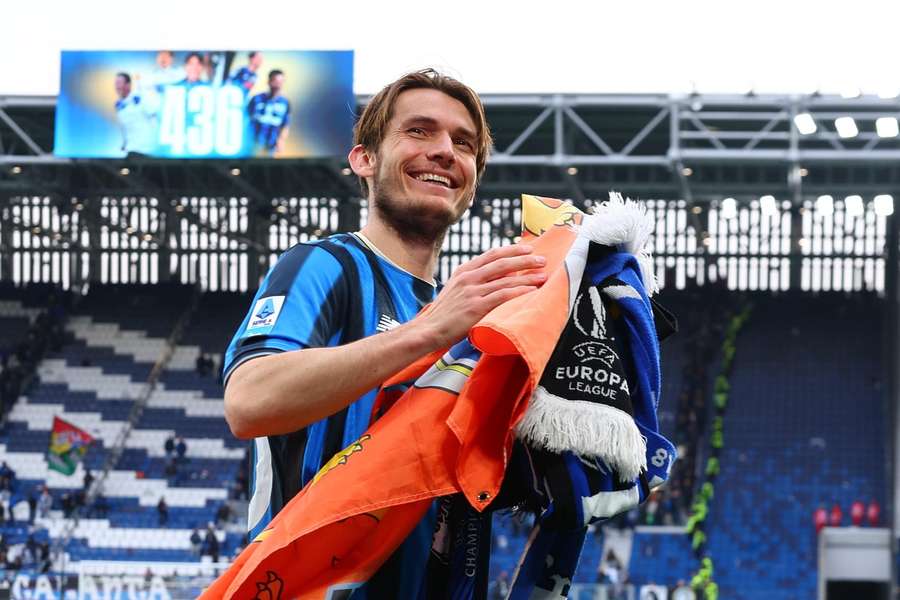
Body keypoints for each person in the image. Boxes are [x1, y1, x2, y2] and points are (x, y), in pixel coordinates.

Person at [223, 69, 544, 596]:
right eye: (419, 131)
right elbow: (249, 400)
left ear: (471, 183)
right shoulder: (326, 266)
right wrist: (428, 330)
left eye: (463, 143)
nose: (444, 151)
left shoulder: (468, 319)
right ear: (364, 160)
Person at [247, 69, 291, 156]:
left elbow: (285, 125)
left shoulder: (284, 102)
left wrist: (281, 140)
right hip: (254, 142)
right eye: (275, 81)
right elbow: (246, 118)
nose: (278, 85)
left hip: (271, 144)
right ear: (269, 81)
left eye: (280, 82)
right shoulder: (257, 99)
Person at [113, 72, 158, 156]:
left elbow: (154, 115)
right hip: (131, 149)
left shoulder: (140, 98)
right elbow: (124, 126)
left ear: (128, 85)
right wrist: (124, 143)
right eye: (116, 84)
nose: (117, 87)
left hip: (145, 150)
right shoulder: (119, 105)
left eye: (119, 83)